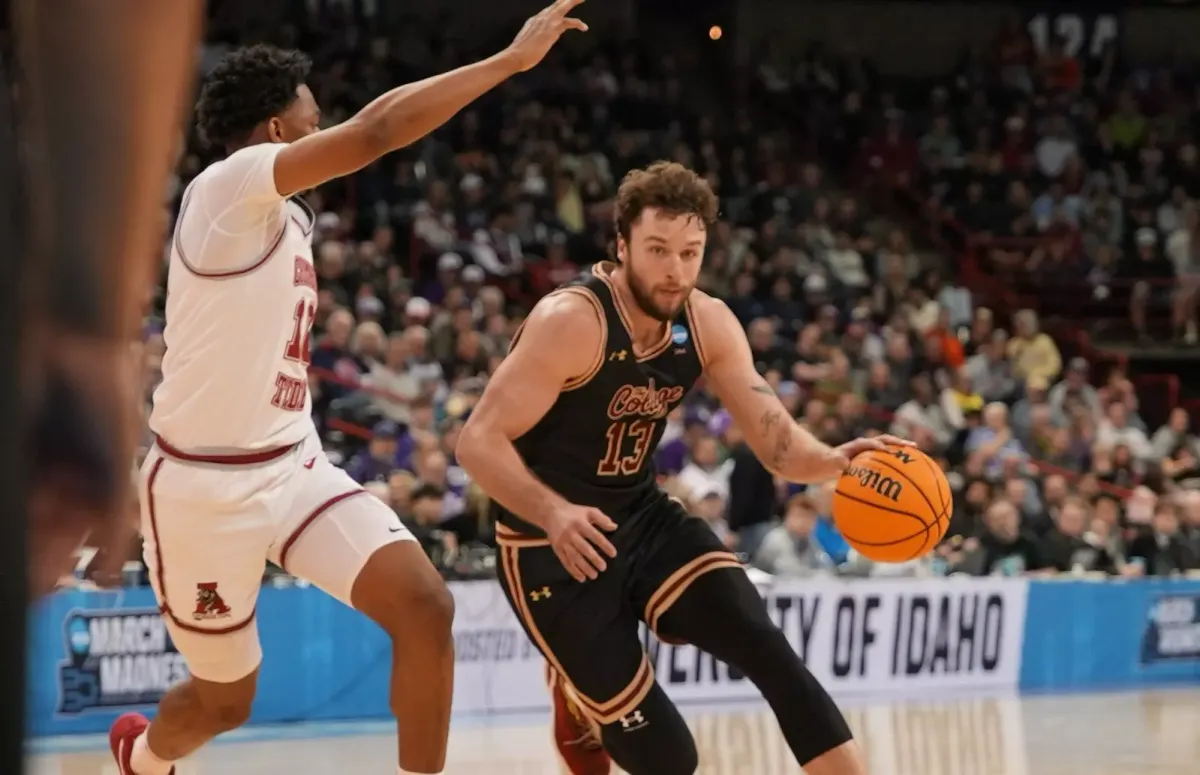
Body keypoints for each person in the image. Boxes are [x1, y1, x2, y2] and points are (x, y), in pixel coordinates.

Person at [108, 3, 589, 774]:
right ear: (274, 129)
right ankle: (142, 757)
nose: (323, 125)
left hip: (291, 465)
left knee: (426, 607)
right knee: (227, 700)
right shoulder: (227, 188)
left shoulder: (287, 220)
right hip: (201, 487)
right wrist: (506, 63)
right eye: (311, 115)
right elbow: (376, 131)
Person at [458, 161, 908, 775]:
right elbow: (476, 443)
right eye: (658, 250)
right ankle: (577, 698)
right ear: (621, 247)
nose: (675, 269)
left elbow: (775, 441)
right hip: (548, 545)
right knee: (669, 758)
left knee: (766, 643)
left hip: (642, 519)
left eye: (690, 252)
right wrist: (553, 512)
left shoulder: (707, 322)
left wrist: (832, 461)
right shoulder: (572, 322)